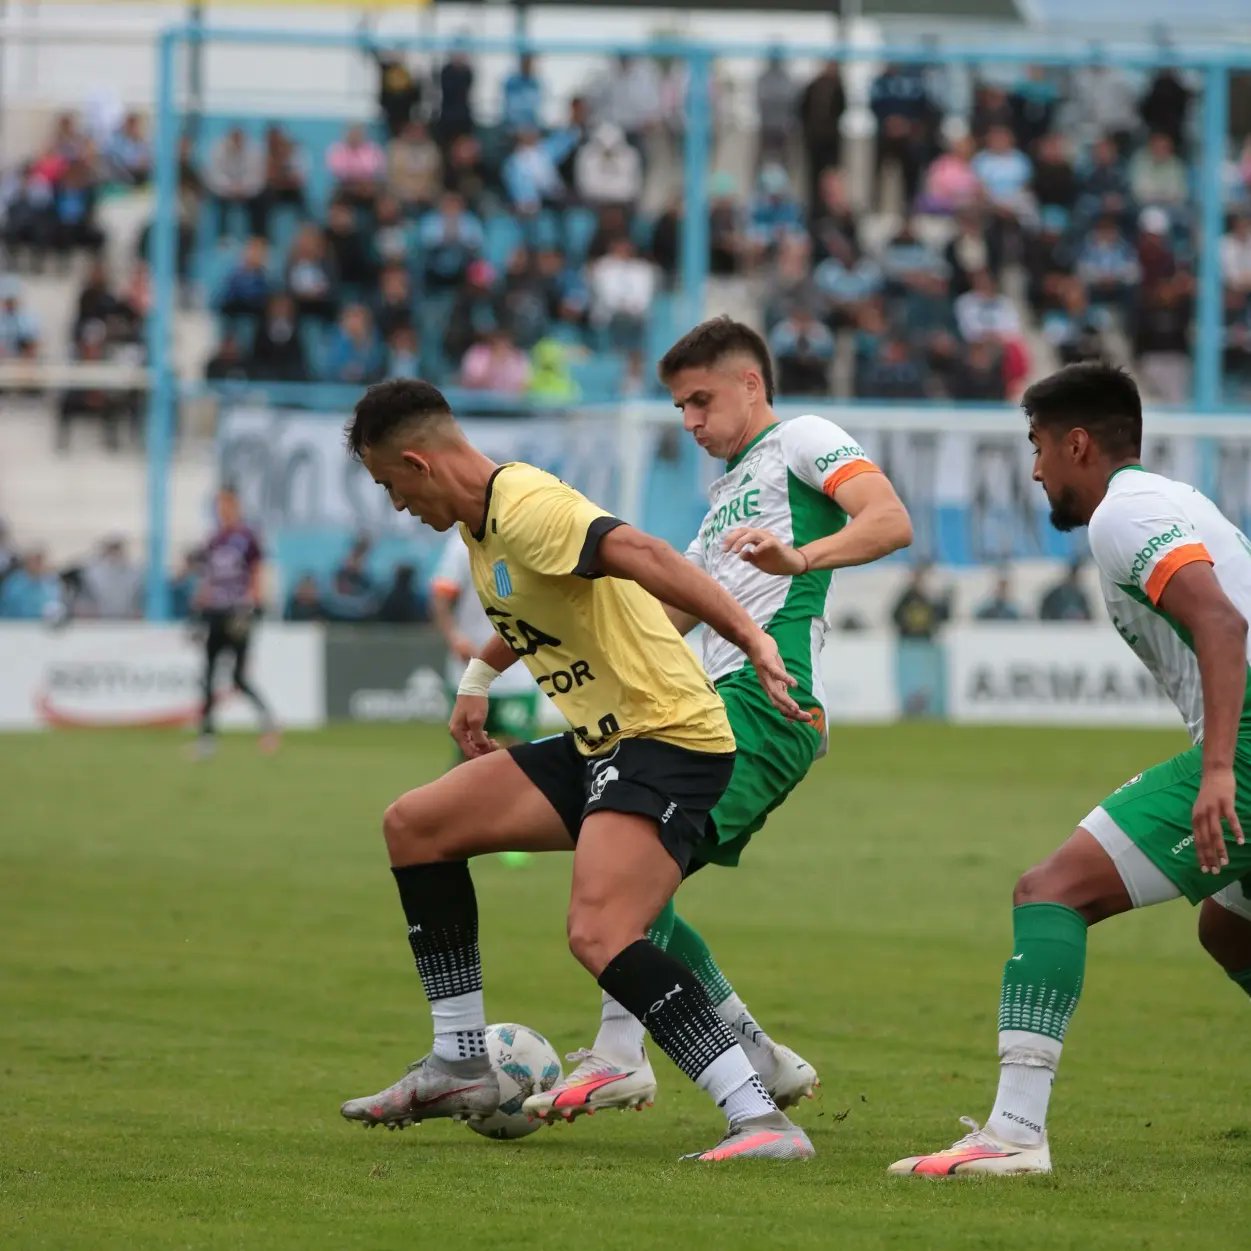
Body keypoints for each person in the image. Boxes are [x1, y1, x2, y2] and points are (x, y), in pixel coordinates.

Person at [338, 376, 817, 1161]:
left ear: (419, 463)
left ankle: (761, 1120)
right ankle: (461, 1061)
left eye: (391, 486)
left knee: (600, 932)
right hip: (603, 742)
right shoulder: (482, 525)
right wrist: (476, 680)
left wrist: (753, 640)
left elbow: (643, 553)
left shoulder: (525, 504)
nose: (396, 506)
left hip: (667, 733)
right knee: (416, 825)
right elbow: (537, 605)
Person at [519, 316, 913, 1124]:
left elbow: (887, 519)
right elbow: (663, 617)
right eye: (679, 409)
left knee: (621, 882)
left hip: (765, 706)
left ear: (750, 385)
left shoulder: (803, 437)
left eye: (701, 401)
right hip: (711, 709)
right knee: (628, 875)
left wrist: (801, 556)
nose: (691, 421)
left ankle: (620, 1055)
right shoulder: (722, 500)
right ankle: (755, 1054)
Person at [890, 362, 1251, 1177]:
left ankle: (1014, 1132)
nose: (1034, 470)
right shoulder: (1171, 501)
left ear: (1077, 443)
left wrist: (1220, 767)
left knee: (1049, 889)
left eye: (1038, 447)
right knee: (1228, 925)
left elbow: (1223, 626)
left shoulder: (1123, 514)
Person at [431, 530, 542, 756]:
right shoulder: (461, 544)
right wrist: (455, 638)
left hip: (518, 672)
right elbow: (440, 598)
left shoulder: (530, 536)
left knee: (518, 753)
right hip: (469, 669)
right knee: (471, 752)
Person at [193, 487, 278, 758]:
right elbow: (209, 577)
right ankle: (207, 737)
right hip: (216, 613)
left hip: (237, 612)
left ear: (235, 505)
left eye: (226, 504)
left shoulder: (246, 538)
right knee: (207, 676)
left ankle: (269, 724)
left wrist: (254, 603)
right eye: (219, 505)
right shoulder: (214, 539)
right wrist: (201, 602)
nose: (222, 509)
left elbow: (256, 571)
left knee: (238, 677)